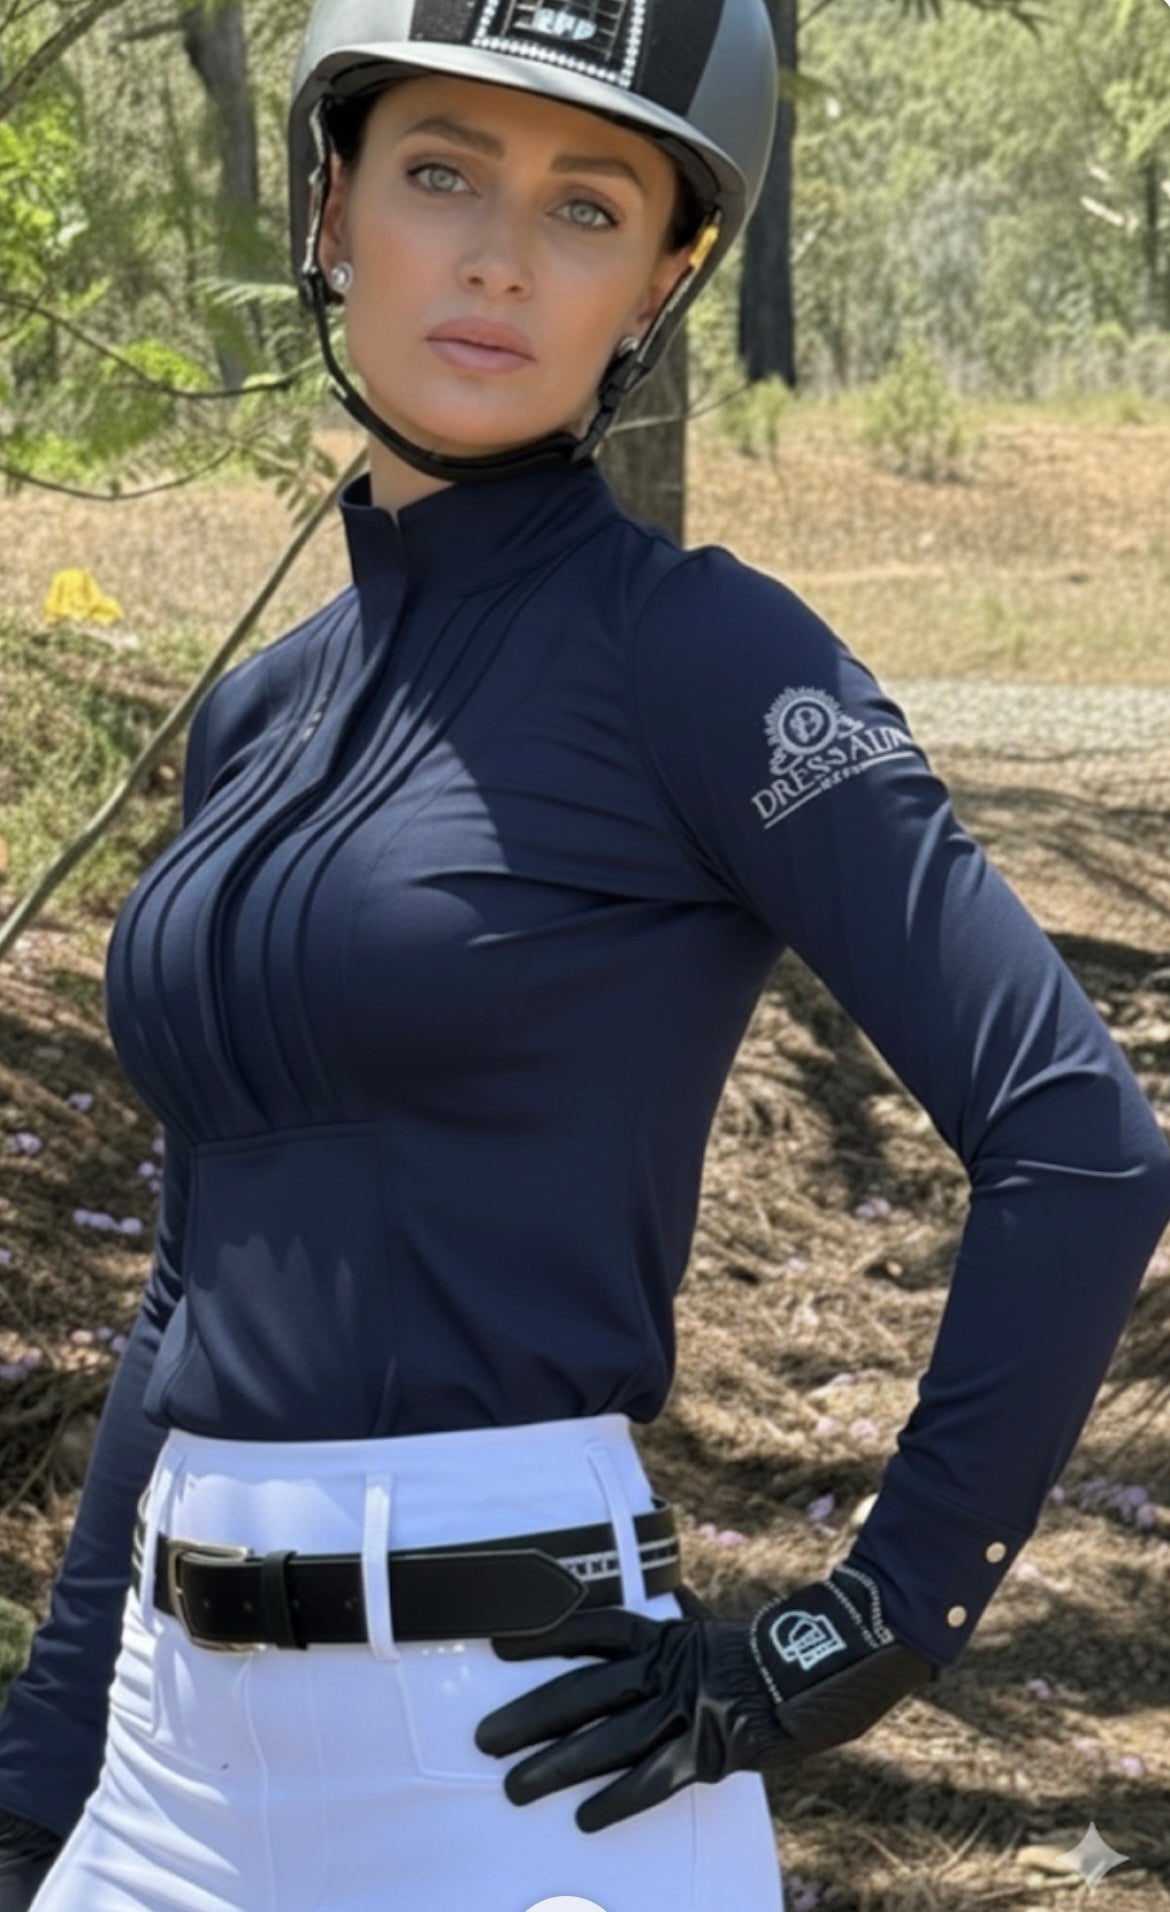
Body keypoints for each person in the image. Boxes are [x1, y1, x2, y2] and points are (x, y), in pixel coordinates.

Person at [2, 0, 1169, 1905]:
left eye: (585, 207)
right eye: (439, 174)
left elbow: (1078, 1142)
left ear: (660, 279)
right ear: (332, 211)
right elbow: (195, 1281)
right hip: (166, 1749)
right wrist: (42, 1776)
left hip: (519, 1757)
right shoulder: (259, 715)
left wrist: (857, 1637)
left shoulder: (707, 655)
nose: (496, 257)